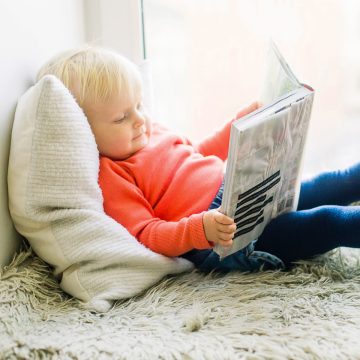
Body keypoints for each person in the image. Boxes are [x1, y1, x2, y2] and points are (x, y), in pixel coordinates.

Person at [37, 46, 360, 272]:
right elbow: (147, 234)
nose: (139, 119)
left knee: (336, 181)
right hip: (233, 238)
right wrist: (198, 230)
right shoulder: (111, 174)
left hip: (250, 190)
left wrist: (240, 127)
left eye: (139, 105)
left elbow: (198, 152)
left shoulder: (149, 132)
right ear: (84, 130)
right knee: (327, 221)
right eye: (121, 117)